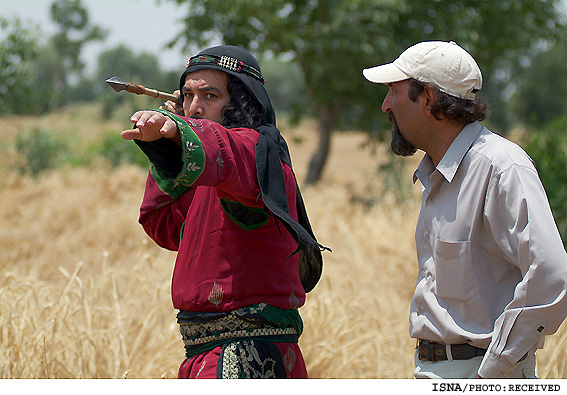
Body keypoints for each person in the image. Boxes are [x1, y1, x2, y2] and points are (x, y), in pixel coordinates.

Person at [363, 41, 567, 379]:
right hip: (435, 371)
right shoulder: (436, 174)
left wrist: (495, 370)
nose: (386, 105)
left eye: (393, 92)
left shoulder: (501, 167)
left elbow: (552, 276)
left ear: (427, 97)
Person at [120, 45, 328, 378]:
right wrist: (166, 148)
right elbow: (162, 224)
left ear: (241, 102)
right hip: (204, 356)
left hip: (246, 359)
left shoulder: (256, 154)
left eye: (210, 96)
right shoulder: (212, 178)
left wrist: (180, 131)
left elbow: (225, 149)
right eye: (188, 96)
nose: (195, 107)